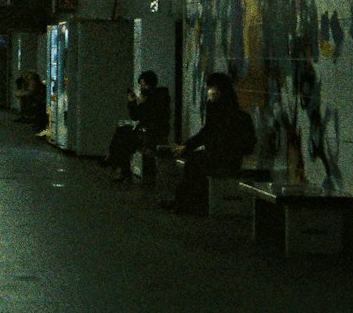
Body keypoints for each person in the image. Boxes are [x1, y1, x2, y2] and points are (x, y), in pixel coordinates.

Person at [164, 71, 256, 213]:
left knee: (194, 162)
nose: (209, 92)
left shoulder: (230, 115)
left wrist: (188, 146)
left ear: (219, 90)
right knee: (194, 161)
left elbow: (209, 134)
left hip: (226, 159)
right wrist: (187, 146)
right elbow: (206, 133)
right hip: (220, 156)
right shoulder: (222, 111)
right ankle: (184, 202)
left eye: (212, 88)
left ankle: (186, 202)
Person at [105, 70, 172, 181]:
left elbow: (143, 116)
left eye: (144, 85)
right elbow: (137, 116)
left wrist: (139, 103)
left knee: (123, 137)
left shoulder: (157, 98)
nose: (142, 88)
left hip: (151, 133)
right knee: (122, 132)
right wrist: (135, 102)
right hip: (145, 130)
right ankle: (116, 164)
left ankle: (116, 164)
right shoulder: (154, 97)